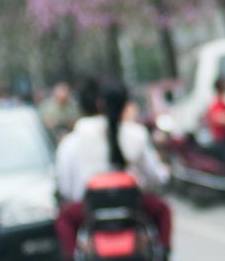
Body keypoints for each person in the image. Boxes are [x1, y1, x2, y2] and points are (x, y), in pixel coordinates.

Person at [55, 78, 171, 260]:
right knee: (163, 210)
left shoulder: (72, 141)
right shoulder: (136, 133)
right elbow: (157, 177)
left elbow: (66, 188)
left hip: (89, 211)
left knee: (64, 218)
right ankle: (163, 253)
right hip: (135, 209)